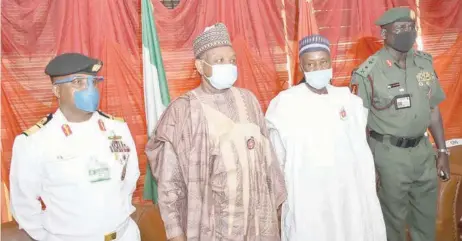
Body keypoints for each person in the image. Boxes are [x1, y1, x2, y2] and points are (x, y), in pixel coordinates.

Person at [146, 23, 286, 241]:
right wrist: (175, 233)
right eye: (219, 60)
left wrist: (278, 210)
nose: (228, 66)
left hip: (259, 224)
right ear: (201, 67)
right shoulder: (183, 110)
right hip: (215, 227)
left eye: (232, 60)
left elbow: (270, 162)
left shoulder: (249, 100)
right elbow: (169, 180)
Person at [266, 34, 387, 241]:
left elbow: (360, 144)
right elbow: (276, 155)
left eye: (323, 62)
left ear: (331, 63)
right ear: (302, 67)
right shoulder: (285, 104)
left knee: (354, 230)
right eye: (311, 64)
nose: (318, 68)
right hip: (309, 194)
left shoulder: (348, 100)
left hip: (349, 190)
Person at [9, 53, 141, 241]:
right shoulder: (34, 141)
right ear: (57, 90)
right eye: (78, 82)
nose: (89, 89)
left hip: (124, 236)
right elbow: (24, 205)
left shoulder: (117, 128)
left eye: (93, 82)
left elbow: (129, 179)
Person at [349, 7, 450, 241]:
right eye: (400, 29)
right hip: (388, 156)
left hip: (423, 153)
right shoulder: (368, 72)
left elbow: (433, 108)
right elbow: (357, 125)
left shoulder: (424, 63)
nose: (408, 33)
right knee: (391, 222)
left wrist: (442, 150)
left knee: (426, 219)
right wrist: (368, 166)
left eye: (411, 27)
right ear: (384, 34)